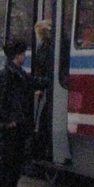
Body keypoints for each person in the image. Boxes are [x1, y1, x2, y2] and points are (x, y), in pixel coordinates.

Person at [0, 39, 49, 187]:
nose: (24, 57)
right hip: (12, 124)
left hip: (19, 122)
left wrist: (49, 81)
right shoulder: (6, 75)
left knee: (16, 159)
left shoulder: (17, 72)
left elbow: (33, 82)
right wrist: (7, 120)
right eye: (22, 54)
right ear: (16, 56)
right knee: (8, 159)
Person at [32, 20, 54, 161]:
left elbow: (42, 67)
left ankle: (41, 151)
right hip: (45, 85)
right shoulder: (45, 46)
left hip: (47, 86)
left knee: (43, 118)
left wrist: (40, 87)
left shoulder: (46, 47)